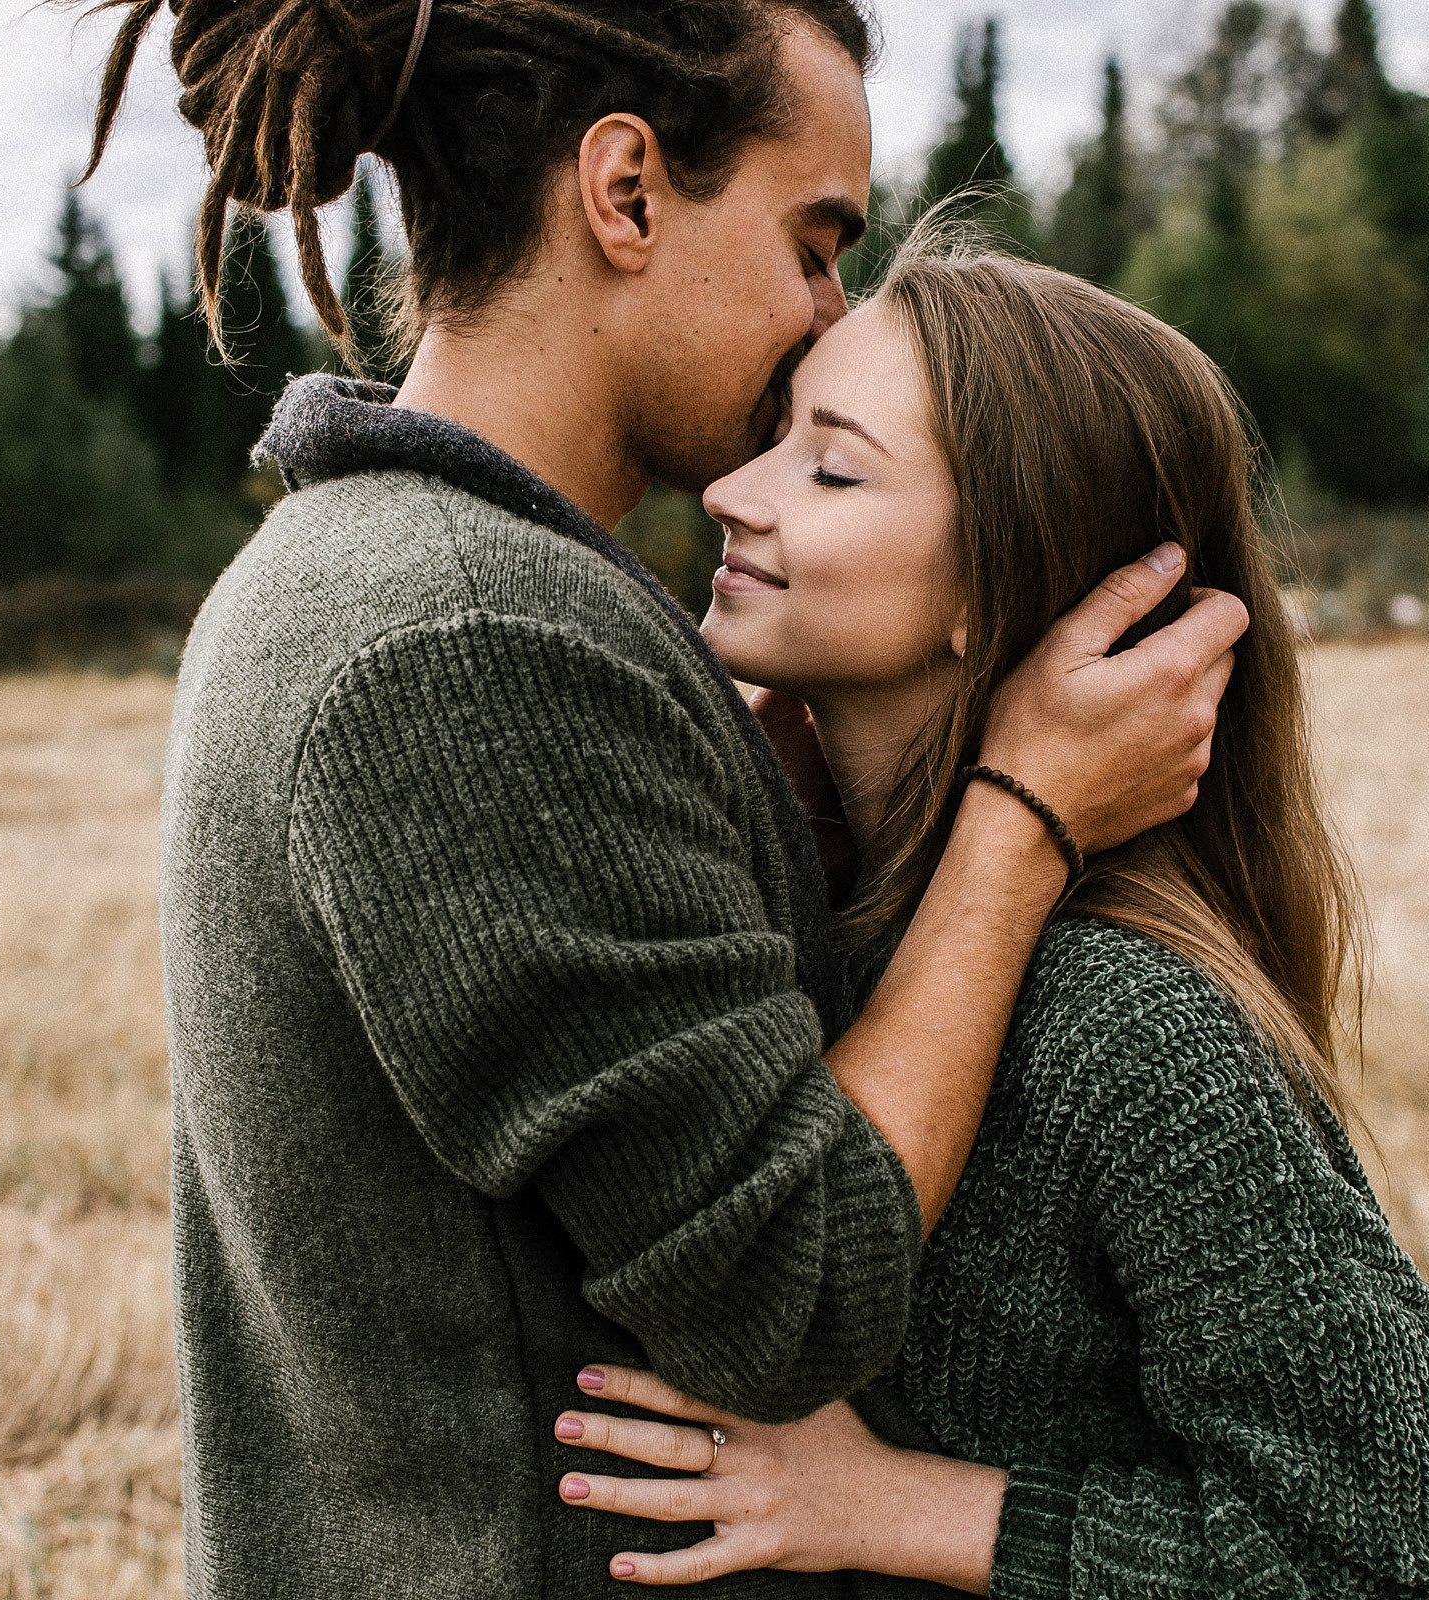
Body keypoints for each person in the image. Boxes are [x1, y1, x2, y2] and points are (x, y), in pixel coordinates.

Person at [73, 2, 1248, 1596]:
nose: (830, 312)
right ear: (624, 190)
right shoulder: (468, 636)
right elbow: (798, 1290)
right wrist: (1020, 814)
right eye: (815, 240)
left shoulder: (392, 581)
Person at [547, 236, 1429, 1597]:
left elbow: (1377, 1560)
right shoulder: (807, 931)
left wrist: (891, 1508)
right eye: (774, 437)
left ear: (992, 585)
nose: (734, 492)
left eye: (830, 463)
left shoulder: (1129, 1027)